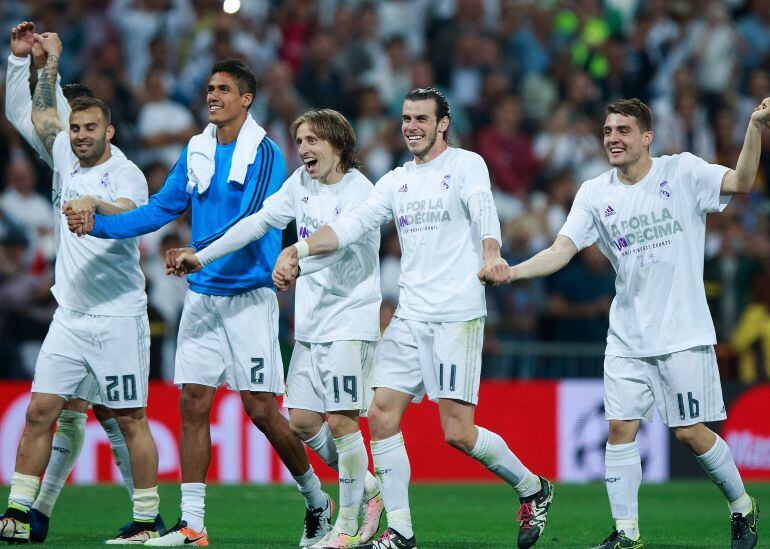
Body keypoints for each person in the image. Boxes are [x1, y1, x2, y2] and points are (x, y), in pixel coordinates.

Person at [272, 88, 555, 549]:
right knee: (381, 413)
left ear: (443, 123)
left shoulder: (466, 165)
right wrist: (299, 250)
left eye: (422, 118)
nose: (412, 126)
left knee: (458, 434)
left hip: (456, 315)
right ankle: (401, 531)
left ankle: (532, 487)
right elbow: (350, 225)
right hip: (409, 315)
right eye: (406, 118)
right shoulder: (394, 181)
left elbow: (483, 206)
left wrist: (491, 251)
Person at [66, 58, 331, 548]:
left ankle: (316, 498)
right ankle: (193, 526)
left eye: (224, 89)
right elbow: (160, 209)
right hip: (204, 296)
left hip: (249, 294)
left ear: (246, 99)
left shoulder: (267, 153)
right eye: (210, 88)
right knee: (192, 402)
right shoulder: (197, 150)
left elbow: (255, 217)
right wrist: (98, 224)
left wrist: (197, 253)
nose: (212, 95)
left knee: (261, 409)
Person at [504, 97, 769, 549]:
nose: (613, 138)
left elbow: (742, 181)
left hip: (682, 332)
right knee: (619, 428)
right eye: (608, 131)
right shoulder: (594, 192)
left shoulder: (682, 172)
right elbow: (560, 251)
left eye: (624, 130)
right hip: (626, 335)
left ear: (647, 137)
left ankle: (742, 505)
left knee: (689, 433)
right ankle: (626, 533)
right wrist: (511, 271)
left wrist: (755, 127)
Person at [171, 108, 385, 548]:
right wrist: (203, 254)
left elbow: (339, 242)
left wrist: (296, 258)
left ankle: (345, 529)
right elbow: (258, 222)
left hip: (349, 321)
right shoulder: (301, 183)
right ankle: (368, 487)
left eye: (312, 141)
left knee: (343, 423)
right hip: (309, 324)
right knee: (305, 422)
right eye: (300, 140)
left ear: (338, 144)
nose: (303, 149)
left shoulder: (362, 191)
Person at [0, 31, 161, 545]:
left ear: (110, 130)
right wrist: (29, 61)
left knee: (129, 420)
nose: (81, 135)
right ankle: (20, 513)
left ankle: (146, 518)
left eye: (92, 127)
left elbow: (136, 215)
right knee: (42, 410)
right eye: (76, 128)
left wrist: (96, 205)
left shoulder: (126, 173)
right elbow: (32, 113)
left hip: (117, 317)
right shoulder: (65, 156)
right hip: (70, 315)